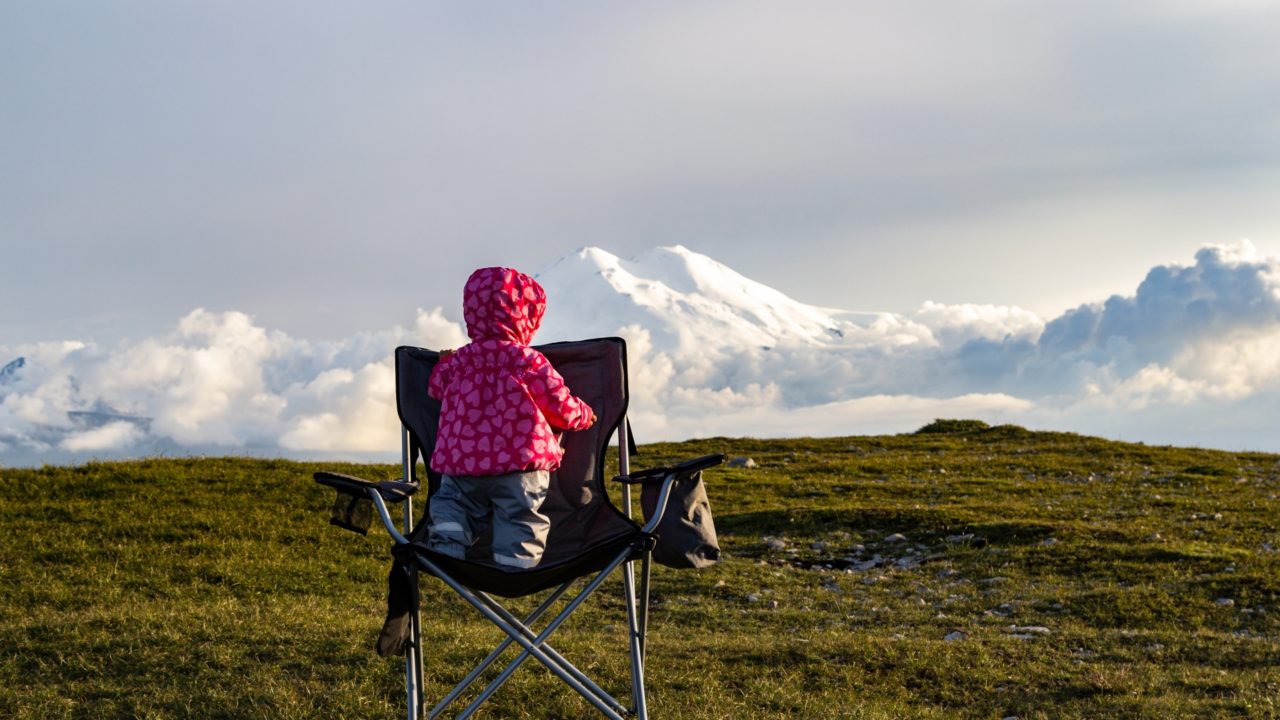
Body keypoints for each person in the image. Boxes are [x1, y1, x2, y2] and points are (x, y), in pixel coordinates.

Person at [426, 266, 596, 569]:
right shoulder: (528, 361)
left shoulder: (461, 359)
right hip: (519, 465)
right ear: (527, 317)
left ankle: (447, 549)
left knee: (452, 505)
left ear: (471, 313)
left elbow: (436, 388)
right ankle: (514, 568)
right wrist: (583, 414)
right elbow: (558, 403)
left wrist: (442, 364)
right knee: (520, 515)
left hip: (460, 464)